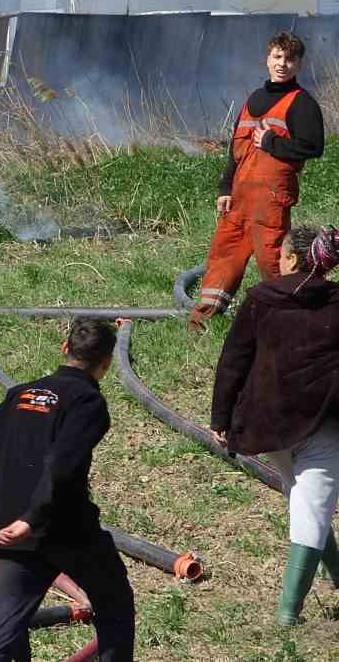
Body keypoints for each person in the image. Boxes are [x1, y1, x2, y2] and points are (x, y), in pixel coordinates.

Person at [0, 318, 135, 661]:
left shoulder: (21, 393)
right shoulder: (87, 401)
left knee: (4, 628)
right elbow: (64, 463)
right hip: (65, 529)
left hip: (6, 524)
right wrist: (33, 517)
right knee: (114, 604)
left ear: (65, 349)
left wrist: (15, 489)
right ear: (106, 362)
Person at [211, 225, 339, 626]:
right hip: (322, 424)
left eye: (282, 253)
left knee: (306, 501)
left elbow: (234, 360)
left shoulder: (260, 299)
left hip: (267, 422)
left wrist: (221, 417)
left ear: (293, 260)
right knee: (312, 509)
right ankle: (289, 613)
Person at [191, 32, 324, 331]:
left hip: (271, 201)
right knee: (223, 256)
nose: (282, 64)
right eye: (277, 57)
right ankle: (202, 320)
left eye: (290, 59)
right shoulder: (253, 99)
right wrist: (225, 188)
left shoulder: (302, 103)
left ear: (299, 64)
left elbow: (314, 147)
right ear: (267, 59)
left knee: (275, 262)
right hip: (238, 200)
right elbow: (235, 151)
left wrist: (273, 142)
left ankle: (291, 320)